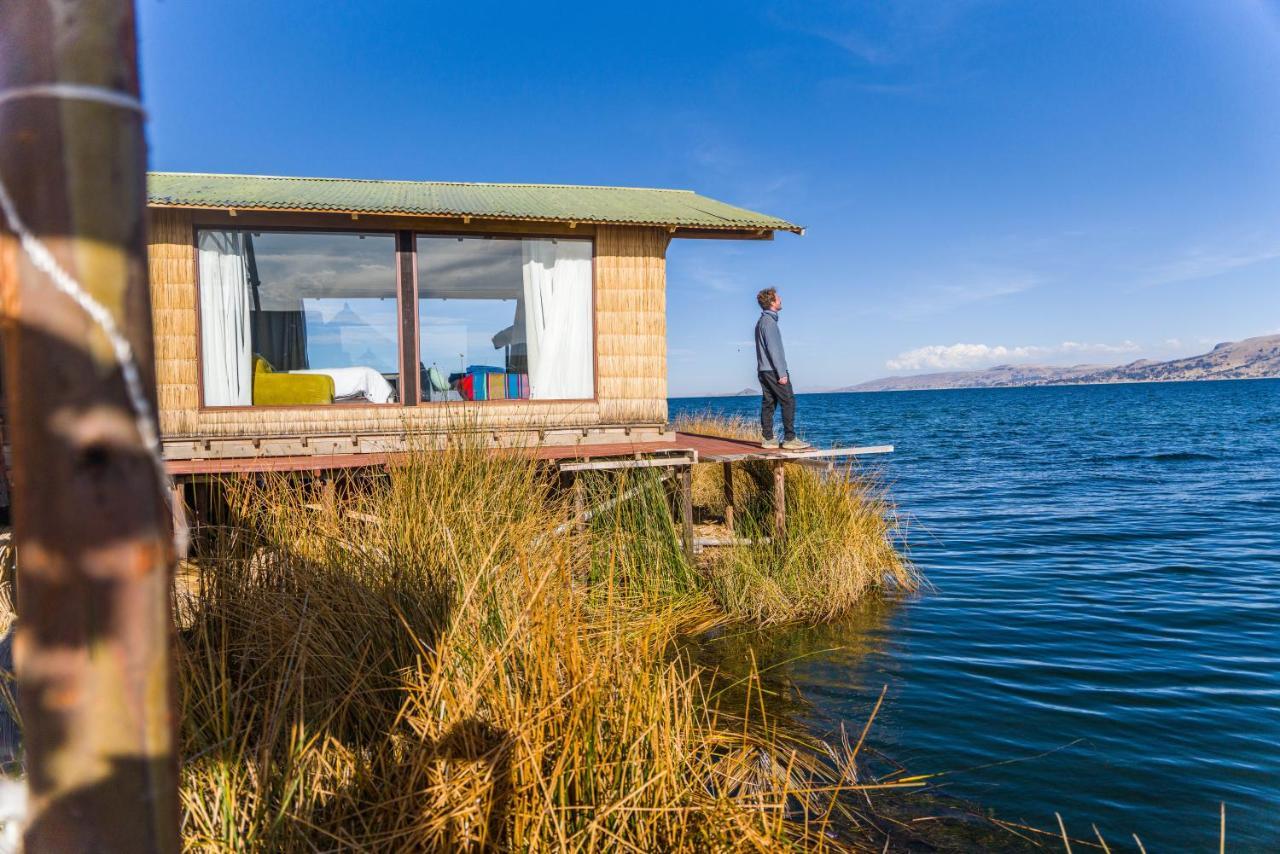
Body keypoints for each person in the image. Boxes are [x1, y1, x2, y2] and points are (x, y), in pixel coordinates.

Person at [754, 288, 810, 450]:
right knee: (788, 401)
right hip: (773, 370)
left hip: (764, 370)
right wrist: (781, 373)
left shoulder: (762, 322)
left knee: (769, 402)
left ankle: (768, 438)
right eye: (778, 298)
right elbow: (774, 349)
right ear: (772, 302)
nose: (781, 299)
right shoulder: (769, 323)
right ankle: (790, 439)